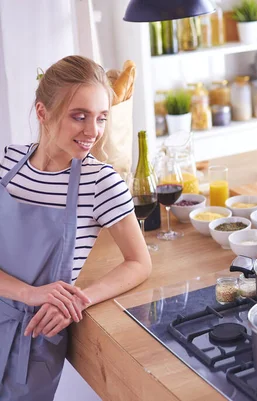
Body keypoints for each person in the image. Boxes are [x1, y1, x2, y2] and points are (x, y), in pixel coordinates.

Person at [0, 55, 152, 400]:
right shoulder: (8, 162)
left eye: (101, 118)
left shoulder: (100, 182)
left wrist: (78, 301)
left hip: (34, 339)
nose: (92, 132)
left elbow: (139, 262)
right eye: (79, 116)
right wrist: (30, 293)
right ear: (43, 112)